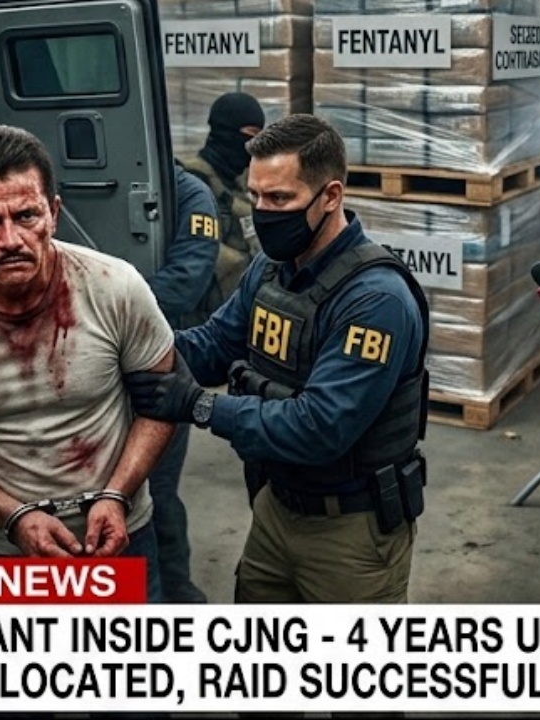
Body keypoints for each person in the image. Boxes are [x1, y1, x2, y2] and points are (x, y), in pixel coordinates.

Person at [124, 114, 429, 603]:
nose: (264, 212)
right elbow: (215, 344)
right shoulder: (270, 268)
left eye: (280, 199)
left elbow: (321, 426)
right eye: (257, 196)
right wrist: (128, 348)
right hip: (275, 507)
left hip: (350, 532)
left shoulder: (375, 301)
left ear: (331, 196)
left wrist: (200, 406)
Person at [0, 125, 178, 601]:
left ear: (53, 213)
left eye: (26, 216)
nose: (10, 240)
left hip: (116, 540)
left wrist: (117, 494)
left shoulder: (115, 287)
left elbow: (163, 404)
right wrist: (12, 517)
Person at [142, 166, 222, 603]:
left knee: (157, 494)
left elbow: (185, 284)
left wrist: (108, 308)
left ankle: (176, 591)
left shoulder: (189, 195)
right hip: (91, 370)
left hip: (160, 368)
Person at [177, 92, 266, 320]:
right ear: (225, 132)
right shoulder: (193, 183)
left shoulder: (239, 183)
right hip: (204, 317)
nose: (252, 147)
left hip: (237, 310)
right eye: (250, 136)